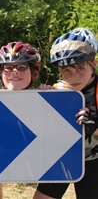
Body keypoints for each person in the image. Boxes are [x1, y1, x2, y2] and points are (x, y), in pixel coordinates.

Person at [33, 27, 98, 199]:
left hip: (94, 162)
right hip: (63, 156)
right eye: (66, 71)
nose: (73, 76)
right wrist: (44, 97)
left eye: (79, 68)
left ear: (94, 64)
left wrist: (95, 126)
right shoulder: (60, 90)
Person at [0, 41, 42, 199]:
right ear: (1, 73)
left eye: (21, 67)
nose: (14, 72)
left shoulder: (49, 97)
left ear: (33, 73)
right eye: (8, 67)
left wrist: (53, 97)